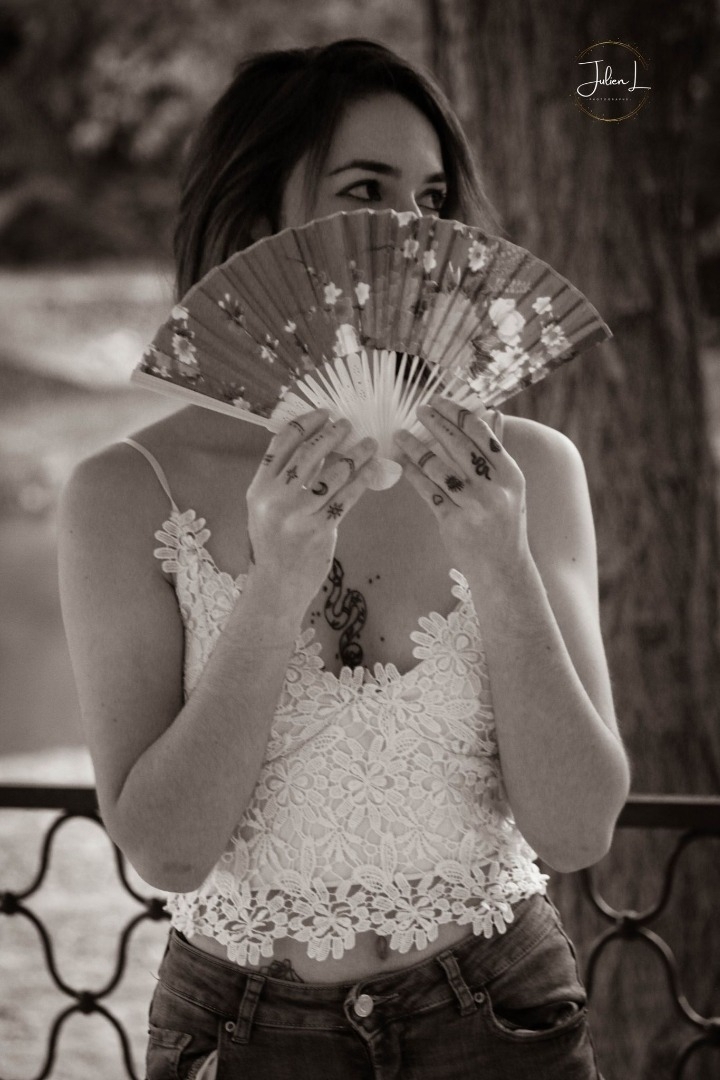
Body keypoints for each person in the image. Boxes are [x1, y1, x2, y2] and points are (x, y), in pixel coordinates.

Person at [57, 38, 629, 1080]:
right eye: (366, 190)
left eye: (433, 198)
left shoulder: (528, 470)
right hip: (243, 1034)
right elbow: (168, 852)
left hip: (501, 1019)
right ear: (257, 222)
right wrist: (274, 588)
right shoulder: (123, 493)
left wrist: (501, 565)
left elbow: (579, 827)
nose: (413, 231)